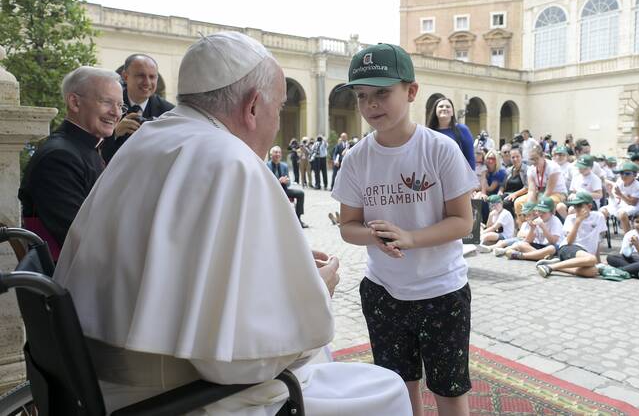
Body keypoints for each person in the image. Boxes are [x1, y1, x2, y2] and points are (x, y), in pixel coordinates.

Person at [52, 32, 411, 415]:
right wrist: (315, 290)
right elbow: (244, 360)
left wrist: (278, 263)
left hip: (102, 382)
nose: (276, 123)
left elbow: (184, 263)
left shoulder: (148, 139)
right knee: (386, 390)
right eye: (279, 107)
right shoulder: (232, 162)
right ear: (254, 106)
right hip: (181, 398)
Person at [332, 43, 477, 416]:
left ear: (411, 92)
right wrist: (374, 236)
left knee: (449, 389)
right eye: (363, 96)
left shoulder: (440, 149)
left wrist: (411, 238)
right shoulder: (356, 158)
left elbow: (463, 221)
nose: (371, 105)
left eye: (382, 93)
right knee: (398, 388)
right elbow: (349, 227)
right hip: (383, 293)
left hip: (442, 292)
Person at [18, 67, 122, 260]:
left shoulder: (86, 148)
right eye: (107, 102)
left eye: (120, 105)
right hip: (72, 278)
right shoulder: (58, 158)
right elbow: (79, 237)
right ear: (74, 102)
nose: (116, 113)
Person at [101, 54, 174, 162]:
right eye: (141, 76)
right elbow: (93, 147)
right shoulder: (106, 106)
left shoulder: (169, 112)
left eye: (152, 77)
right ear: (125, 77)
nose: (147, 82)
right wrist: (115, 133)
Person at [536, 192, 606, 279]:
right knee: (592, 259)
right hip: (568, 247)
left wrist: (599, 261)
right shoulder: (571, 218)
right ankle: (550, 267)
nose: (576, 208)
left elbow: (597, 240)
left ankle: (557, 266)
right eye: (574, 205)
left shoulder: (599, 217)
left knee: (592, 271)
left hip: (584, 255)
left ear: (589, 206)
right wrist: (578, 222)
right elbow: (569, 241)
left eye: (579, 205)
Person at [503, 196, 563, 262]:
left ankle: (522, 256)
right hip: (540, 247)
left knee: (551, 248)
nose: (540, 214)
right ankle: (543, 258)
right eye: (539, 211)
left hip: (553, 248)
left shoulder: (555, 221)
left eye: (544, 212)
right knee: (521, 244)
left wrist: (543, 227)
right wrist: (532, 228)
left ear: (552, 212)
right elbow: (528, 241)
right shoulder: (537, 220)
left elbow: (553, 242)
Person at [427, 97, 475, 169]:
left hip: (456, 174)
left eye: (448, 106)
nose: (444, 108)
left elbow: (470, 158)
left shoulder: (462, 129)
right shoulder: (428, 132)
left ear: (452, 112)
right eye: (440, 106)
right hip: (433, 175)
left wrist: (470, 178)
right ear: (435, 111)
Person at [267, 146, 309, 228]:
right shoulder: (266, 166)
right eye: (276, 152)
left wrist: (286, 181)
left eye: (279, 152)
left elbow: (288, 183)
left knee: (300, 193)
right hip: (272, 192)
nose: (278, 154)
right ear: (271, 154)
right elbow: (266, 182)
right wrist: (278, 181)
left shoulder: (284, 166)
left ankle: (298, 219)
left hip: (284, 190)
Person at [600, 162, 639, 232]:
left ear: (634, 175)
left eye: (627, 173)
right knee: (602, 212)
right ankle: (600, 235)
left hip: (637, 207)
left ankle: (627, 237)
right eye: (621, 173)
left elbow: (633, 203)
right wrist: (610, 193)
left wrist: (621, 195)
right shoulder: (619, 182)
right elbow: (615, 200)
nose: (624, 176)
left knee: (622, 213)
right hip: (620, 205)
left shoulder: (638, 186)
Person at [557, 155, 602, 219]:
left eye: (584, 168)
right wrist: (572, 194)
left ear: (591, 168)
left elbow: (599, 195)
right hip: (576, 201)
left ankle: (574, 225)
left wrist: (584, 194)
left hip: (589, 202)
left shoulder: (595, 178)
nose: (581, 169)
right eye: (580, 167)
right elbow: (573, 191)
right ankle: (569, 223)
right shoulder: (576, 177)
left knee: (572, 210)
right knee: (560, 206)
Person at [503, 147, 528, 216]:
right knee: (496, 200)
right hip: (508, 193)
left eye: (517, 156)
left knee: (505, 203)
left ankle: (515, 221)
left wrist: (515, 194)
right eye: (513, 157)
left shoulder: (527, 170)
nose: (515, 159)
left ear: (521, 157)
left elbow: (527, 187)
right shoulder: (508, 170)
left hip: (521, 194)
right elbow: (503, 184)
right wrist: (500, 191)